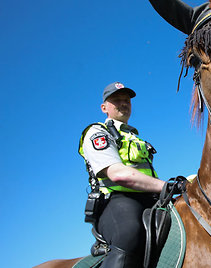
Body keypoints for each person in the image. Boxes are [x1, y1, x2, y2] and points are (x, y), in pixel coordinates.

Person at [79, 81, 165, 267]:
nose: (123, 103)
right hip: (117, 201)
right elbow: (117, 174)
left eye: (126, 100)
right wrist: (166, 186)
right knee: (130, 233)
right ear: (104, 108)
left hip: (151, 199)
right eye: (116, 100)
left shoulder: (136, 138)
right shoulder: (97, 132)